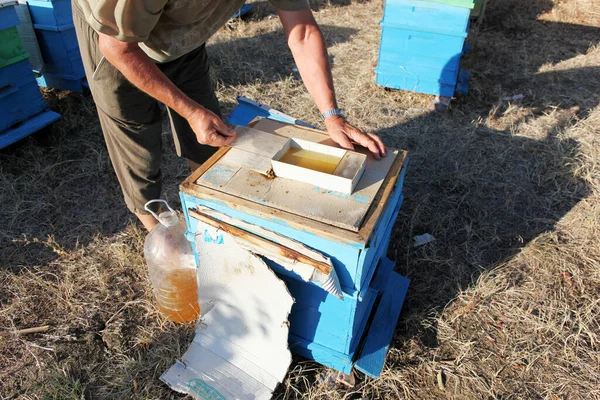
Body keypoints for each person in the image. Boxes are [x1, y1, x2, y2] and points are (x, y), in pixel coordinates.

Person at [72, 0, 387, 231]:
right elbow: (118, 49)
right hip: (117, 38)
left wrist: (332, 116)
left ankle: (211, 221)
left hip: (182, 37)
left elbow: (302, 30)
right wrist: (189, 111)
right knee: (136, 142)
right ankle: (160, 236)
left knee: (212, 140)